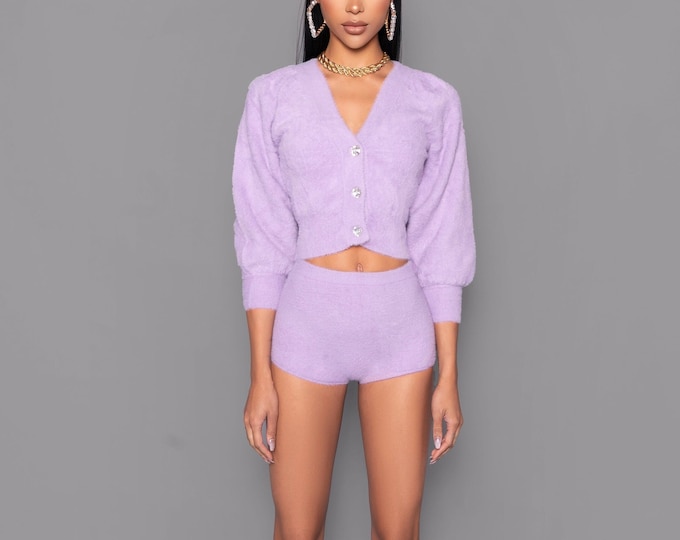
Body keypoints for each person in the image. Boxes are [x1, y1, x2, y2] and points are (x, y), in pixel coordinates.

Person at [231, 1, 476, 538]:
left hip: (401, 332)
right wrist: (259, 377)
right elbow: (264, 241)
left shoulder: (433, 100)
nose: (356, 6)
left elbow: (442, 238)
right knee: (297, 530)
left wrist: (449, 377)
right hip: (305, 330)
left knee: (398, 530)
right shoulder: (272, 96)